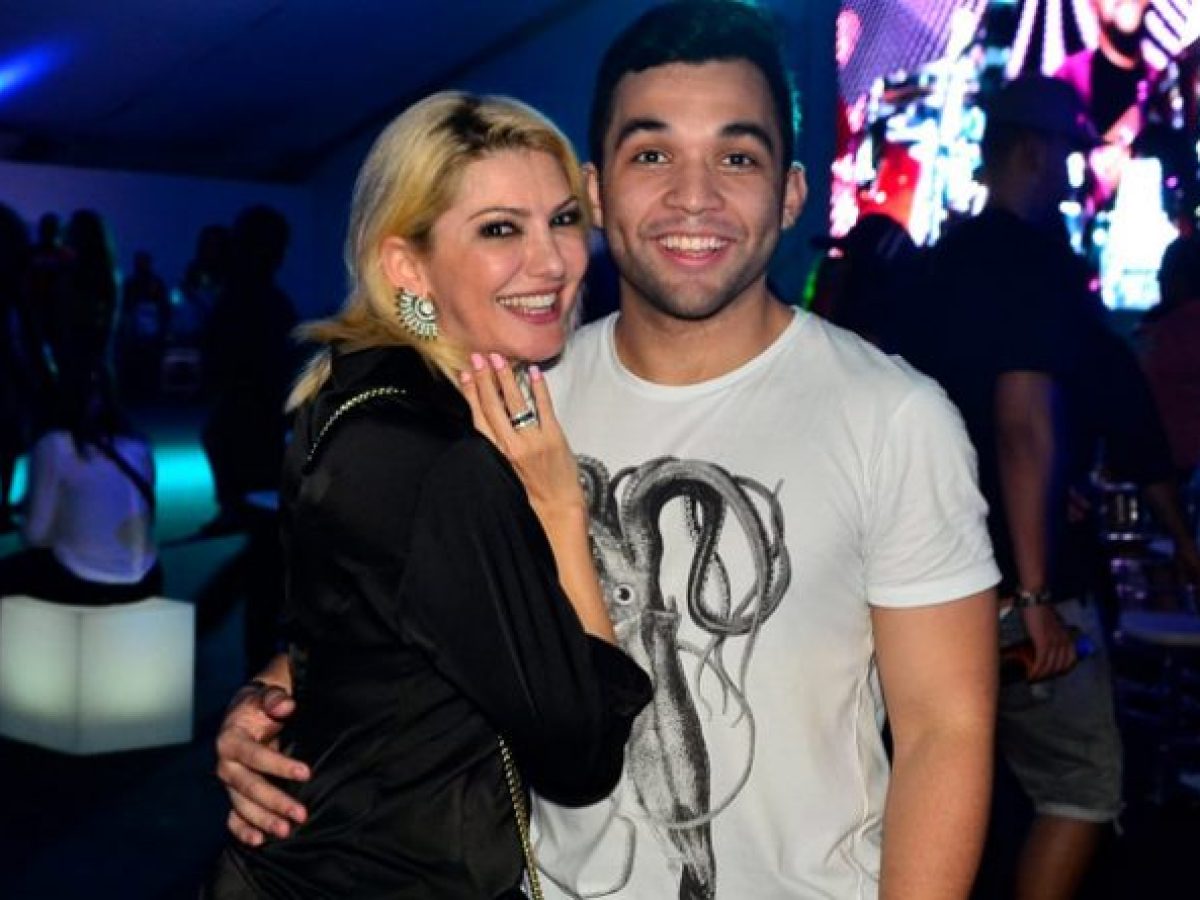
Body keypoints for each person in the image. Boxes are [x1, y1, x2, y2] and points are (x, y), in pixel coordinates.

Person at [216, 3, 1000, 897]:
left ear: (791, 193)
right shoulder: (509, 392)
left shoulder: (892, 417)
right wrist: (267, 699)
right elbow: (401, 603)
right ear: (595, 190)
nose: (694, 196)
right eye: (652, 155)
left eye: (738, 158)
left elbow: (946, 731)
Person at [203, 91, 652, 899]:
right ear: (406, 265)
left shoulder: (354, 389)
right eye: (500, 229)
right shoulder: (437, 457)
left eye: (562, 220)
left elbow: (355, 619)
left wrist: (266, 694)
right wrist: (559, 509)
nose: (552, 261)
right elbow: (582, 755)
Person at [902, 76, 1123, 900]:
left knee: (946, 775)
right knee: (1082, 786)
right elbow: (1021, 424)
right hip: (1011, 582)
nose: (1073, 171)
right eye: (1067, 152)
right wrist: (1034, 592)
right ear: (1032, 150)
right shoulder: (1033, 262)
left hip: (930, 573)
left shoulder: (943, 260)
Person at [0, 365, 160, 605]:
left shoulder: (55, 445)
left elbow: (34, 536)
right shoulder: (138, 445)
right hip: (149, 578)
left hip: (87, 581)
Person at [199, 205, 298, 536]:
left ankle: (242, 512)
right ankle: (241, 511)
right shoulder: (265, 299)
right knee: (235, 445)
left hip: (250, 393)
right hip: (255, 393)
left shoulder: (249, 297)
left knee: (236, 446)